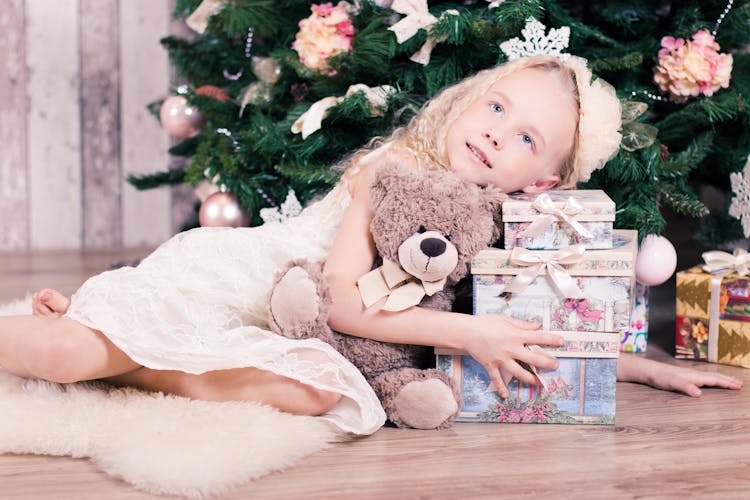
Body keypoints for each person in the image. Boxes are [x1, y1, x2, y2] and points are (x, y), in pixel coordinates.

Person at [2, 55, 741, 435]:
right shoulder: (390, 173)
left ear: (543, 178)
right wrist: (465, 330)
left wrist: (643, 369)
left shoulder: (494, 227)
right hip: (246, 281)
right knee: (70, 357)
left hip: (303, 340)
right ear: (467, 101)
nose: (494, 130)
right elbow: (347, 305)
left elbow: (536, 325)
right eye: (495, 105)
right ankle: (106, 334)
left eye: (524, 136)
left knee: (324, 396)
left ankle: (129, 357)